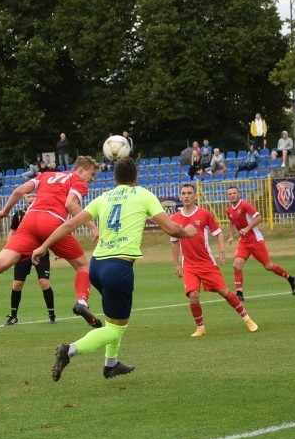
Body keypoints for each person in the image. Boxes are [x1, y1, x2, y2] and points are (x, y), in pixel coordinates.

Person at [31, 157, 196, 382]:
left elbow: (69, 224)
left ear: (115, 178)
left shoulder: (104, 197)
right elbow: (170, 228)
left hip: (97, 267)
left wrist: (43, 246)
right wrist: (187, 231)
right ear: (135, 177)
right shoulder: (144, 195)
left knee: (114, 320)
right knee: (117, 329)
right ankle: (69, 350)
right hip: (118, 268)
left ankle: (111, 364)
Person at [0, 156, 102, 329]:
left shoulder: (47, 175)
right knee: (83, 266)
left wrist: (5, 210)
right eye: (92, 174)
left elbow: (19, 191)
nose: (92, 179)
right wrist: (92, 225)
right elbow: (70, 204)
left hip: (29, 221)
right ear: (81, 170)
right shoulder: (78, 181)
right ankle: (81, 302)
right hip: (52, 223)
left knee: (0, 263)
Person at [171, 184, 258, 337]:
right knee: (193, 295)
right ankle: (200, 328)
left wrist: (222, 249)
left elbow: (218, 233)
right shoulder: (175, 218)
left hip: (206, 262)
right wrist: (176, 263)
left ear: (195, 196)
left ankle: (247, 319)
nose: (186, 196)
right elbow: (174, 241)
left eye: (189, 193)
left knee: (224, 291)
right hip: (189, 264)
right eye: (183, 193)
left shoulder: (204, 214)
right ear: (179, 196)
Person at [225, 185, 295, 300]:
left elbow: (258, 217)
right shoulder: (229, 210)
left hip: (255, 240)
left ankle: (291, 278)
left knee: (268, 266)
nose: (232, 195)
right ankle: (239, 293)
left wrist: (247, 229)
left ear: (239, 194)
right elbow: (231, 222)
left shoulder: (245, 205)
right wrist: (230, 236)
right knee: (236, 265)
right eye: (230, 194)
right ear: (227, 196)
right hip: (243, 242)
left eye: (234, 193)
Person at [4, 193, 56, 325]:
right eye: (28, 196)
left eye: (34, 196)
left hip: (40, 252)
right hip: (22, 253)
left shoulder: (45, 213)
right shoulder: (19, 214)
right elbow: (12, 231)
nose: (31, 199)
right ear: (24, 199)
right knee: (17, 285)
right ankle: (13, 316)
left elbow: (52, 232)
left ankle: (52, 315)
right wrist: (9, 247)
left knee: (44, 282)